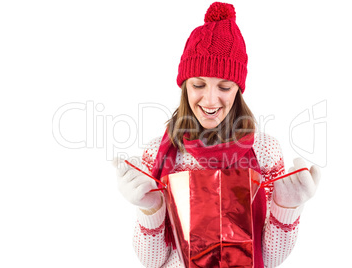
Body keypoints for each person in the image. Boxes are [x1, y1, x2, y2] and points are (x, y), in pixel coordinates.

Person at [114, 2, 321, 267]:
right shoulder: (160, 153)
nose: (210, 100)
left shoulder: (264, 150)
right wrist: (150, 209)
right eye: (198, 84)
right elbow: (153, 262)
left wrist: (287, 208)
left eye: (224, 86)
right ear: (184, 86)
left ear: (238, 89)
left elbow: (268, 259)